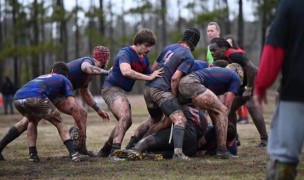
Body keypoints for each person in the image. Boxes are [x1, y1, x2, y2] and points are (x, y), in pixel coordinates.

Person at [0, 45, 110, 160]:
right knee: (78, 113)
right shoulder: (88, 61)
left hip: (38, 93)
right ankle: (78, 150)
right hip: (54, 93)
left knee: (27, 122)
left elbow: (85, 93)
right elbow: (85, 67)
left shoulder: (87, 76)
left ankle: (26, 152)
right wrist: (106, 73)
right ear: (105, 59)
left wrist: (98, 110)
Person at [254, 1, 304, 179]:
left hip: (297, 90)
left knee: (283, 158)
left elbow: (274, 48)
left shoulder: (291, 4)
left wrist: (261, 85)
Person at [97, 28, 163, 157]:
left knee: (127, 121)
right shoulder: (125, 53)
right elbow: (126, 71)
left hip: (120, 91)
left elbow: (151, 75)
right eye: (146, 45)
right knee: (125, 118)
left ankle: (105, 149)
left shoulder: (144, 59)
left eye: (151, 46)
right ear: (138, 43)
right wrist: (149, 77)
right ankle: (114, 151)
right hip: (110, 88)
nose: (149, 49)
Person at [137, 27, 200, 161]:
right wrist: (173, 97)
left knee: (153, 121)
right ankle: (178, 154)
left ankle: (133, 147)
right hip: (160, 91)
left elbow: (153, 69)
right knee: (180, 119)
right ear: (195, 42)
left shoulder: (169, 47)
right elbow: (175, 78)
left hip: (148, 89)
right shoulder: (188, 56)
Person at [12, 62, 87, 162]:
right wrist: (81, 128)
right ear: (66, 75)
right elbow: (73, 106)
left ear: (52, 71)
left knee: (32, 121)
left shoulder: (43, 77)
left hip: (17, 98)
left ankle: (33, 155)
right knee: (59, 122)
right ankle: (74, 155)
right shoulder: (64, 79)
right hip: (35, 97)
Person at [209, 37, 268, 147]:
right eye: (211, 51)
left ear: (223, 48)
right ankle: (234, 138)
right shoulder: (220, 58)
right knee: (229, 109)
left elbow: (252, 69)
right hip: (243, 85)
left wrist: (249, 88)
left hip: (255, 80)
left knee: (250, 105)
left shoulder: (234, 55)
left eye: (214, 50)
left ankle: (265, 140)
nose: (212, 53)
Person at [178, 63, 243, 158]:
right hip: (192, 83)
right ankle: (222, 151)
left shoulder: (217, 77)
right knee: (223, 111)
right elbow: (227, 107)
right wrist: (224, 127)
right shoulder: (235, 78)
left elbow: (212, 109)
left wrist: (216, 125)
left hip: (184, 82)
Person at [225, 35, 249, 124]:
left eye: (230, 43)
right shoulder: (226, 55)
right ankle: (240, 118)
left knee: (246, 102)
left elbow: (248, 67)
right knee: (233, 103)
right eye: (227, 43)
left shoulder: (239, 53)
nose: (229, 44)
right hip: (235, 83)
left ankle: (245, 117)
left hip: (244, 82)